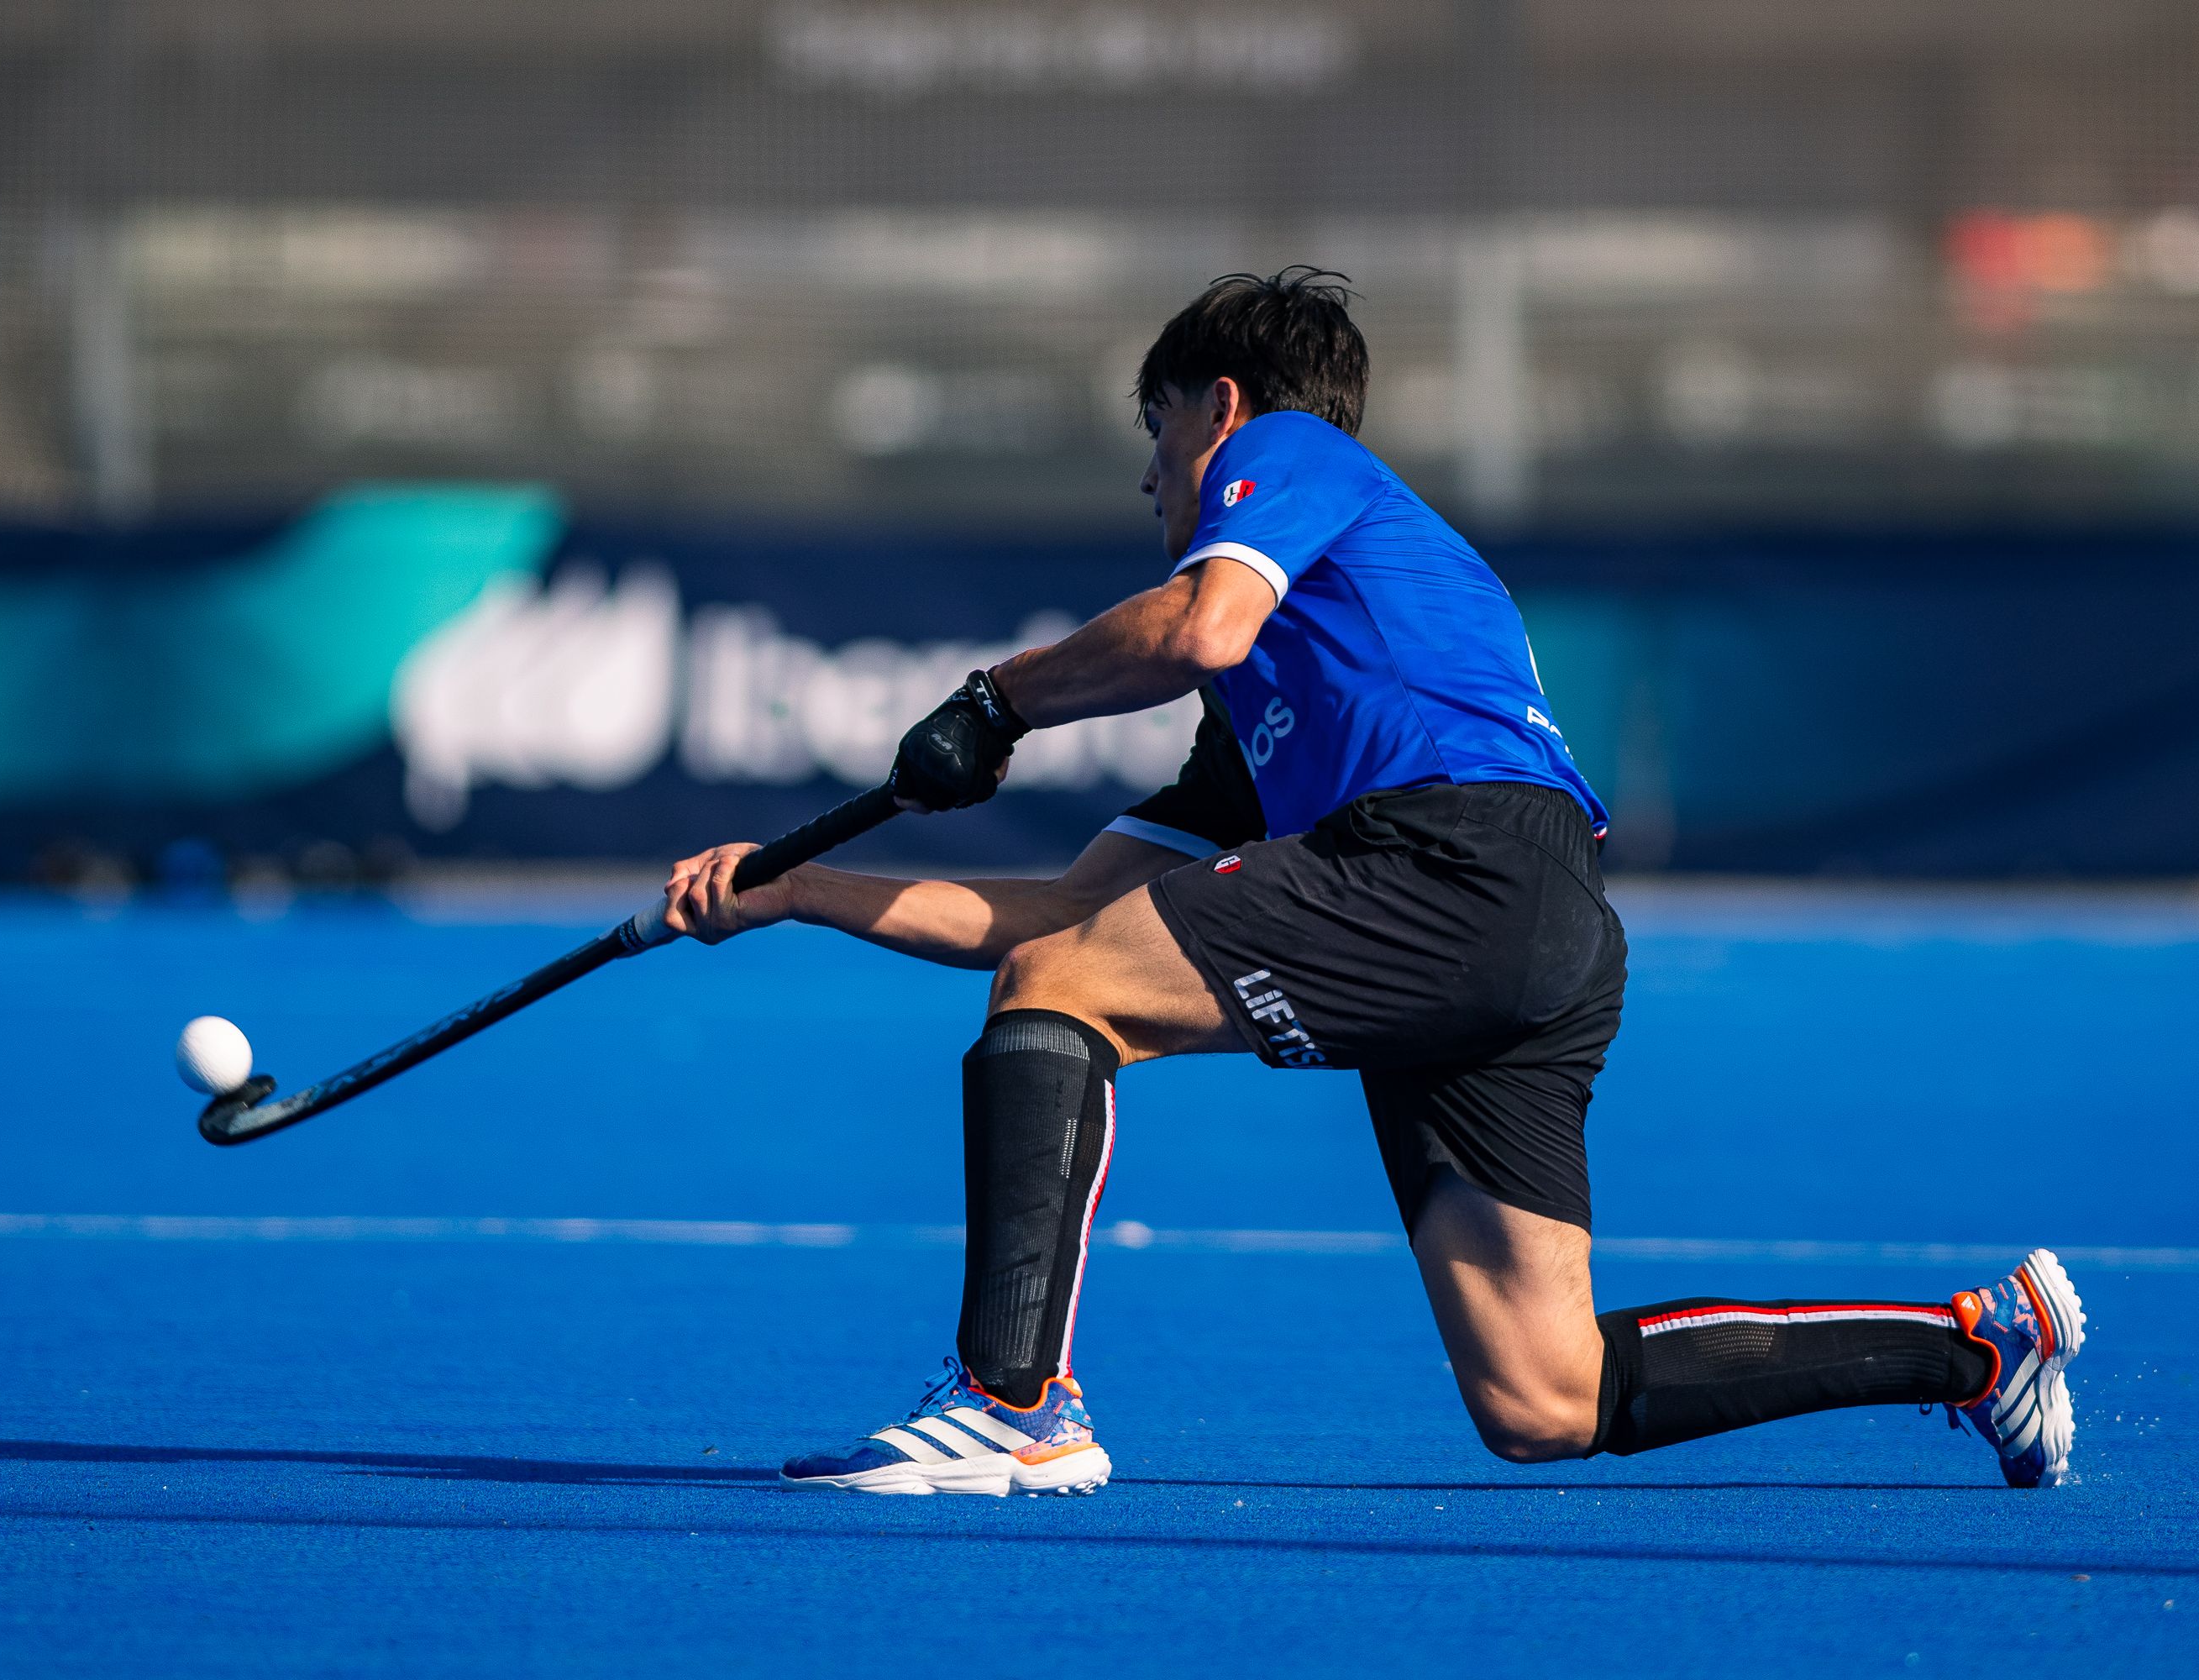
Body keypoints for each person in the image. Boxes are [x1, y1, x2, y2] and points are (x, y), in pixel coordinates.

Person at [660, 268, 2084, 1497]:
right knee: (1544, 1398)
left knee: (1069, 991)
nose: (1151, 476)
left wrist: (1002, 700)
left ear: (1221, 409)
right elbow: (1048, 926)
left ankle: (1012, 1409)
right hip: (1535, 928)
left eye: (1158, 430)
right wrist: (795, 890)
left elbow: (1201, 626)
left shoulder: (1293, 450)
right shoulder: (1277, 703)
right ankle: (1976, 1347)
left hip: (1451, 864)